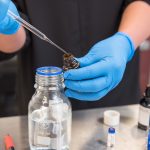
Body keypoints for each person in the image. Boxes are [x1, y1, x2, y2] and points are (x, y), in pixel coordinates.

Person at [0, 0, 150, 114]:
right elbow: (15, 36)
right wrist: (8, 26)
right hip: (43, 108)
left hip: (117, 101)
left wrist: (125, 41)